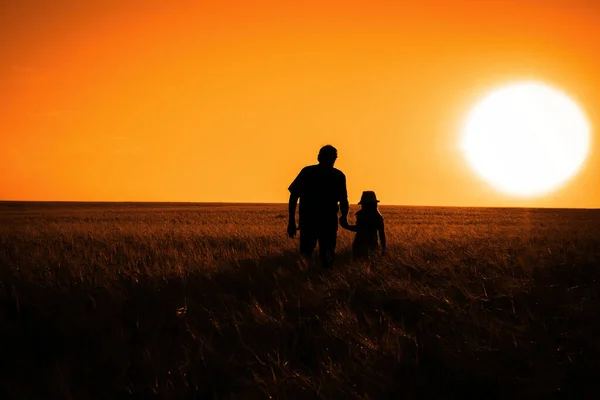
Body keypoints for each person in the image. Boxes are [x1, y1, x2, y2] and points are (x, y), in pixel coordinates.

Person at [287, 145, 349, 269]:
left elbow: (294, 196)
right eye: (331, 157)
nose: (332, 160)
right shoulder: (337, 175)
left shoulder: (309, 172)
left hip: (315, 222)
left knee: (312, 254)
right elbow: (343, 200)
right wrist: (344, 217)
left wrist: (292, 221)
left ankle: (310, 280)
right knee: (321, 255)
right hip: (322, 222)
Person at [340, 191, 386, 260]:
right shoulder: (377, 216)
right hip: (371, 246)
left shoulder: (362, 215)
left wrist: (347, 226)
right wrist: (383, 248)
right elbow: (381, 234)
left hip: (359, 245)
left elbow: (359, 229)